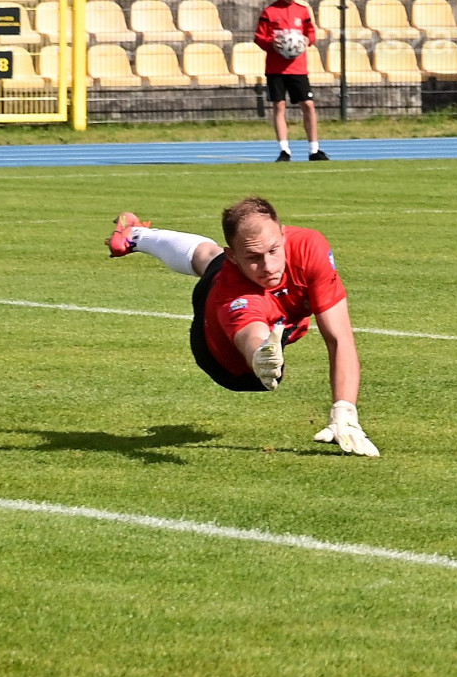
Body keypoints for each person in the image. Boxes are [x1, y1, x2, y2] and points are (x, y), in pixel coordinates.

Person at [104, 198, 379, 456]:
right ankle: (137, 236)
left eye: (273, 250)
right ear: (234, 257)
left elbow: (339, 337)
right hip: (224, 357)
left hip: (264, 304)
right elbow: (251, 333)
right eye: (253, 257)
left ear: (283, 235)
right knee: (214, 265)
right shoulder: (233, 293)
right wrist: (261, 356)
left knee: (208, 256)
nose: (268, 266)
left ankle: (134, 235)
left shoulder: (309, 248)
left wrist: (344, 412)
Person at [254, 0, 329, 162]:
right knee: (279, 106)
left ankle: (314, 149)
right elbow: (259, 37)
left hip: (298, 68)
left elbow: (311, 33)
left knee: (308, 105)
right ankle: (284, 150)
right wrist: (271, 43)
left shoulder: (302, 11)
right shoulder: (270, 12)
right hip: (276, 69)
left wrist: (306, 42)